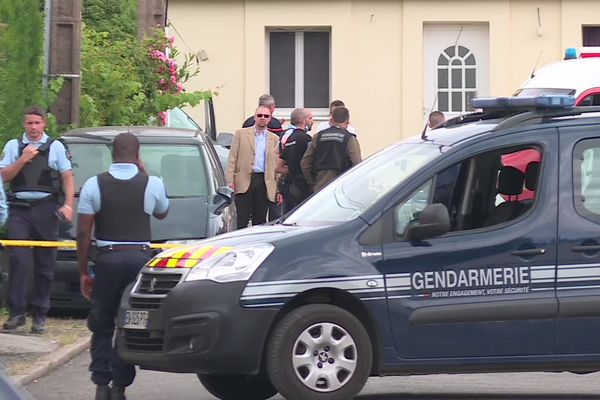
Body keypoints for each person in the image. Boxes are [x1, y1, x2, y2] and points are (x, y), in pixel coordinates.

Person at [77, 133, 169, 400]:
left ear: (112, 153)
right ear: (138, 154)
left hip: (106, 259)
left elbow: (84, 232)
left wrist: (84, 271)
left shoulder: (94, 185)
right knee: (130, 322)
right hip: (138, 260)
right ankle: (120, 385)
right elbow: (162, 212)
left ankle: (101, 383)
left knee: (102, 322)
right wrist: (145, 172)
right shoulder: (151, 183)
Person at [0, 106, 74, 334]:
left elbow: (67, 178)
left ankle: (40, 314)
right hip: (20, 209)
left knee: (45, 264)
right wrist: (23, 159)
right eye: (29, 123)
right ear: (24, 125)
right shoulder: (14, 146)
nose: (33, 127)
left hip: (46, 208)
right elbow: (4, 177)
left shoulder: (56, 147)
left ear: (44, 124)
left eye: (37, 123)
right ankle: (17, 314)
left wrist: (68, 205)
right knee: (19, 261)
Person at [227, 105, 279, 228]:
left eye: (266, 116)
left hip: (264, 181)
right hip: (244, 179)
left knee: (260, 219)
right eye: (260, 115)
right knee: (242, 217)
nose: (262, 118)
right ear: (254, 117)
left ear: (270, 119)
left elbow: (276, 164)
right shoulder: (241, 134)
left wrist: (277, 188)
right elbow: (232, 158)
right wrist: (230, 180)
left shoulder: (274, 139)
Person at [241, 94, 285, 220]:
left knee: (247, 212)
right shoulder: (275, 123)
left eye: (266, 116)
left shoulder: (247, 122)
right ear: (271, 107)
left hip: (250, 173)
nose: (263, 118)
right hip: (264, 175)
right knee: (266, 211)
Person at [301, 106, 362, 193]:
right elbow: (357, 164)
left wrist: (313, 181)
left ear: (331, 120)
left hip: (320, 186)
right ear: (347, 121)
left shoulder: (318, 136)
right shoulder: (350, 139)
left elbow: (305, 163)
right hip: (343, 187)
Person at [276, 108, 313, 213]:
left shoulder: (288, 138)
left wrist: (291, 169)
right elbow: (309, 163)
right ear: (303, 121)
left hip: (288, 186)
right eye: (310, 118)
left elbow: (278, 167)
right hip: (303, 187)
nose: (312, 121)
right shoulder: (307, 139)